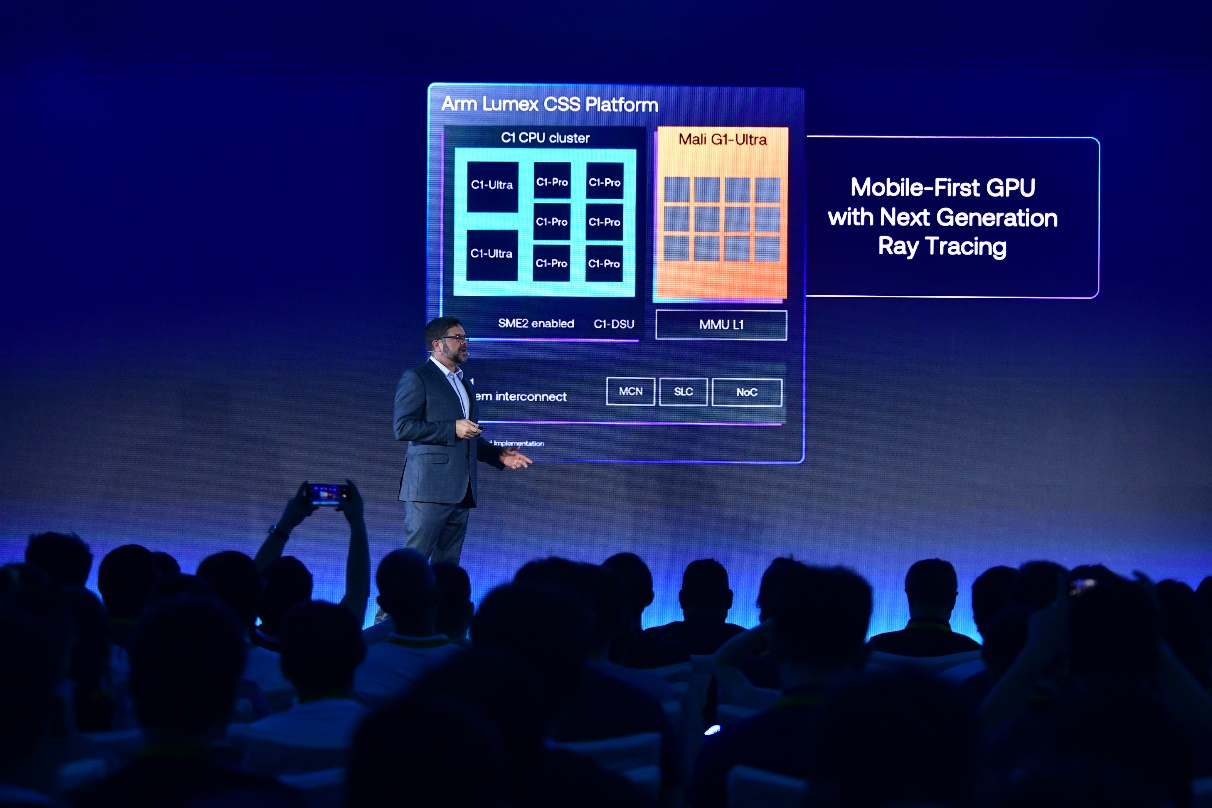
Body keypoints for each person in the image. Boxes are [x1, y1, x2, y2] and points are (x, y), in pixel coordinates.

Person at [393, 316, 532, 564]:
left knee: (447, 570)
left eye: (465, 337)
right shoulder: (417, 377)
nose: (464, 342)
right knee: (412, 565)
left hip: (461, 491)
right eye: (457, 338)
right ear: (437, 344)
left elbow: (467, 435)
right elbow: (403, 427)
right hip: (429, 490)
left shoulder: (464, 383)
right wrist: (451, 428)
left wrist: (498, 455)